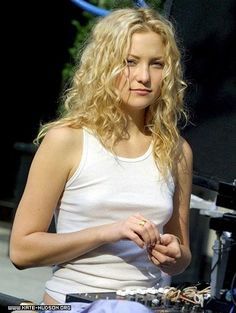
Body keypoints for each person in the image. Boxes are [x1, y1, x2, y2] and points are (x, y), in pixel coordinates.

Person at [10, 7, 192, 306]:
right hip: (74, 302)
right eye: (130, 62)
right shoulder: (67, 140)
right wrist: (108, 232)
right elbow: (21, 251)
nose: (144, 76)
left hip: (147, 304)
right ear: (105, 65)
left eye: (156, 64)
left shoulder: (176, 151)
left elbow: (182, 256)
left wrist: (173, 255)